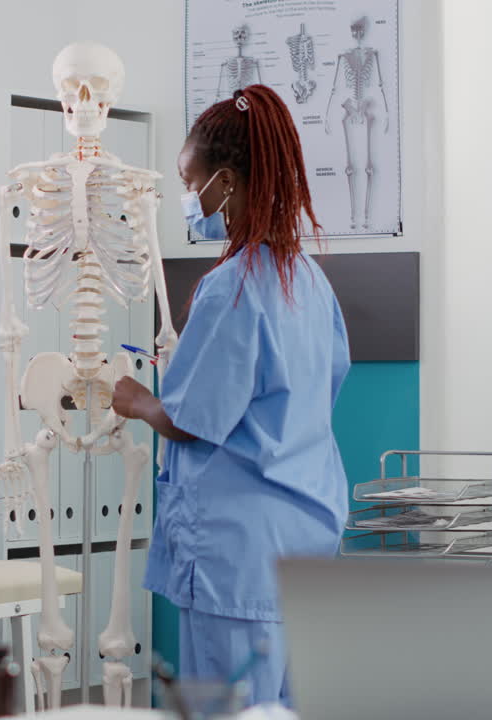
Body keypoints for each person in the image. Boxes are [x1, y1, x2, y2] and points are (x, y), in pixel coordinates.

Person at [112, 85, 350, 707]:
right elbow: (317, 388)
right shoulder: (309, 282)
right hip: (308, 540)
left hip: (238, 555)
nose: (189, 199)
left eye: (191, 184)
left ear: (224, 182)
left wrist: (136, 398)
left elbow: (192, 420)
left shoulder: (230, 289)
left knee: (229, 710)